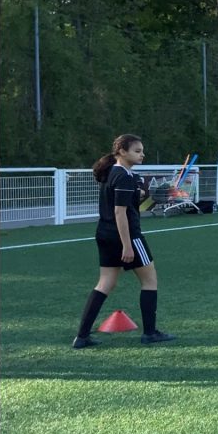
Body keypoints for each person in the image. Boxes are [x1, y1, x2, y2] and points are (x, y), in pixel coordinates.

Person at [72, 134, 176, 349]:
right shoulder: (124, 177)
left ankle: (82, 337)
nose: (142, 154)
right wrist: (127, 245)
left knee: (105, 284)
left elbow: (121, 203)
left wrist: (135, 196)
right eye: (137, 151)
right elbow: (120, 213)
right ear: (121, 151)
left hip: (104, 233)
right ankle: (150, 333)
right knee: (150, 281)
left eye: (142, 150)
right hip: (126, 235)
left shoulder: (113, 173)